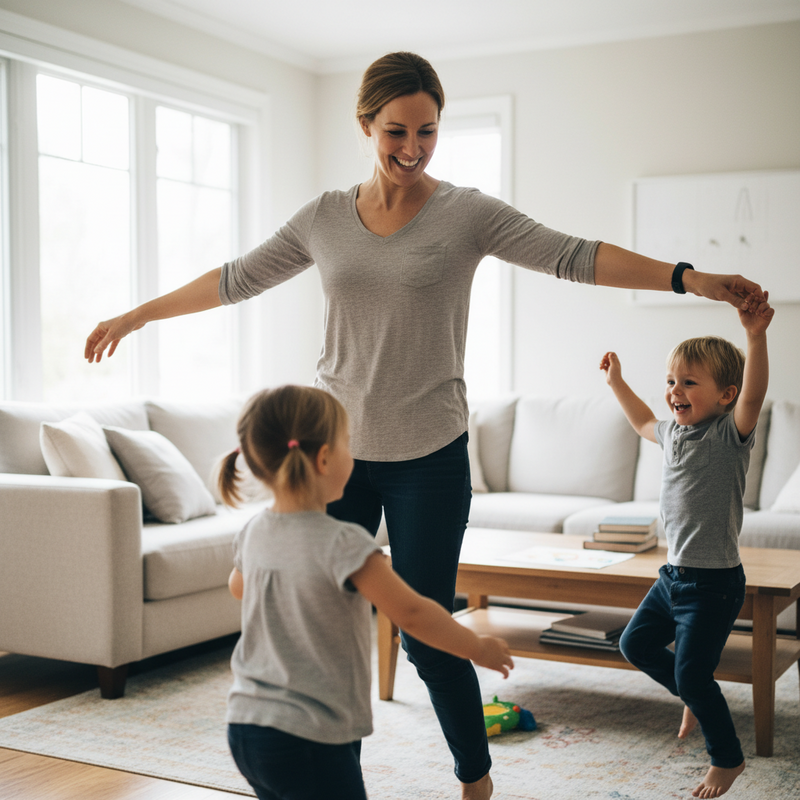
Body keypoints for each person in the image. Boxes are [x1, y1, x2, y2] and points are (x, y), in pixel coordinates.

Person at [85, 51, 770, 800]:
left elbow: (573, 256)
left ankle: (475, 782)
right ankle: (315, 764)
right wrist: (137, 313)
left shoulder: (466, 214)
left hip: (429, 458)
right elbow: (234, 278)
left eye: (428, 132)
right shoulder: (321, 218)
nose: (412, 149)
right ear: (365, 124)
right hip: (329, 457)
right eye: (396, 132)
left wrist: (686, 278)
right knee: (311, 614)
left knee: (426, 633)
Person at [218, 384, 513, 800]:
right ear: (324, 459)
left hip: (247, 726)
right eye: (348, 445)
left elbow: (238, 587)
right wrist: (475, 648)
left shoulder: (253, 533)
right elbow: (413, 614)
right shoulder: (346, 546)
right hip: (312, 738)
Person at [599, 295, 773, 799]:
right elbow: (639, 420)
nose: (675, 391)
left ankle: (727, 758)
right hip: (672, 577)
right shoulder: (674, 434)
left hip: (713, 582)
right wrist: (616, 383)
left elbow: (756, 396)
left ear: (725, 395)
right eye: (672, 381)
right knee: (635, 645)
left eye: (689, 382)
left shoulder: (728, 434)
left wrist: (755, 336)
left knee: (693, 673)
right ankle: (694, 695)